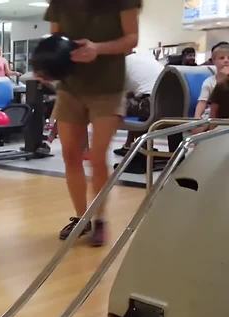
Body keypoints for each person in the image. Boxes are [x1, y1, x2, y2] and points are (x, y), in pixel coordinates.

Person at [42, 0, 141, 246]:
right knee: (70, 154)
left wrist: (97, 48)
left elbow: (131, 39)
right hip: (70, 86)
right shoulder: (59, 3)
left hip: (108, 87)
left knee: (97, 156)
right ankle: (81, 218)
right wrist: (48, 63)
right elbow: (56, 38)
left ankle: (100, 219)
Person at [114, 51, 164, 155]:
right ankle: (129, 145)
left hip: (149, 107)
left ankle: (141, 148)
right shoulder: (146, 57)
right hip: (171, 106)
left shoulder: (121, 64)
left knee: (106, 106)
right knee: (134, 99)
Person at [194, 45, 229, 121]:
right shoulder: (209, 82)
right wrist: (196, 118)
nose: (226, 61)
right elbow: (202, 102)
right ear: (214, 61)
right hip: (212, 115)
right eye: (221, 58)